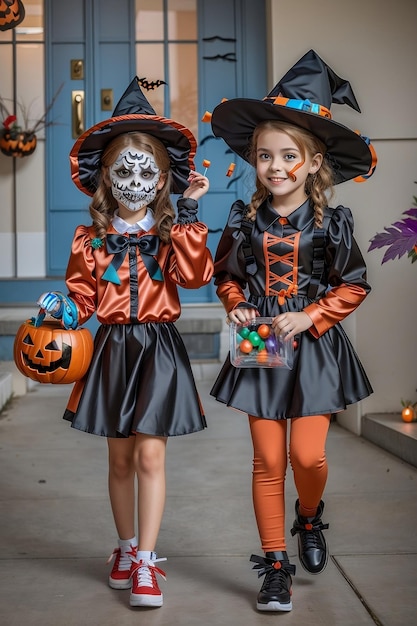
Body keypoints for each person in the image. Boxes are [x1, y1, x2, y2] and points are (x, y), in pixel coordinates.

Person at [208, 50, 376, 612]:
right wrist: (234, 303)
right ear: (254, 160)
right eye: (264, 156)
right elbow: (226, 276)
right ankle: (275, 564)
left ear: (312, 161)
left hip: (314, 343)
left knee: (307, 457)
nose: (275, 167)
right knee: (267, 461)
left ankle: (310, 517)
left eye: (288, 156)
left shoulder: (333, 222)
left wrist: (311, 315)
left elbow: (353, 284)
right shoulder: (241, 218)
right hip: (261, 337)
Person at [37, 77, 214, 609]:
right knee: (119, 461)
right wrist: (63, 310)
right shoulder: (89, 238)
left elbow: (195, 276)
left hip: (158, 351)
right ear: (107, 179)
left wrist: (186, 214)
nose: (134, 180)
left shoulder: (171, 228)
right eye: (124, 170)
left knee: (151, 460)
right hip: (113, 352)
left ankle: (145, 564)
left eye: (147, 171)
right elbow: (82, 297)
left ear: (162, 179)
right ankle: (124, 546)